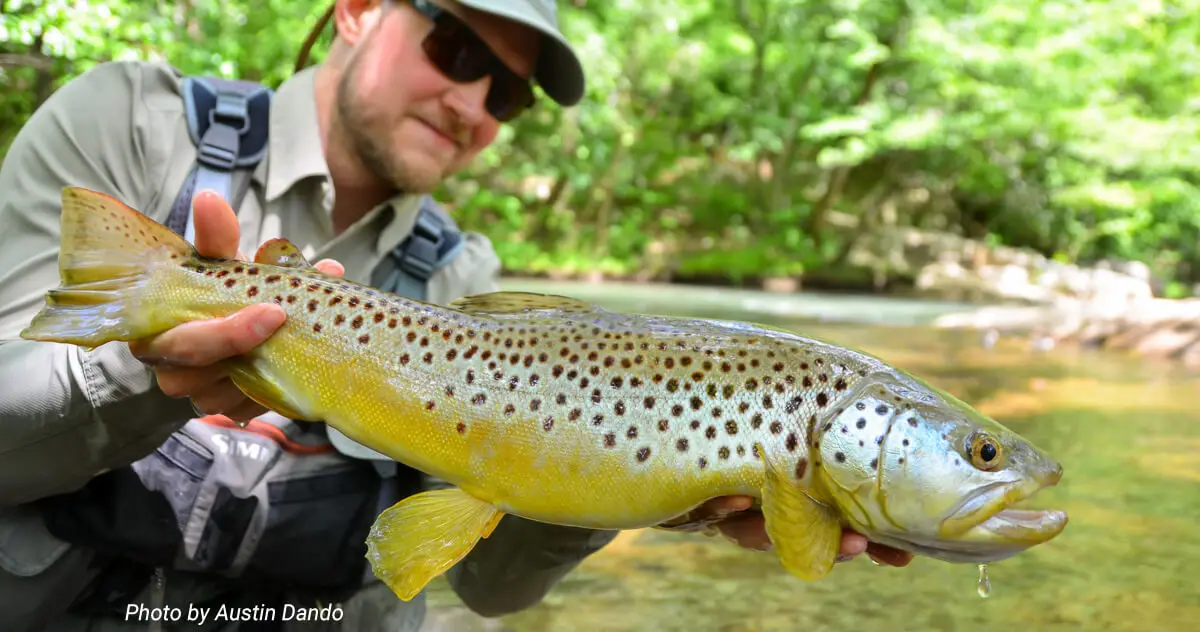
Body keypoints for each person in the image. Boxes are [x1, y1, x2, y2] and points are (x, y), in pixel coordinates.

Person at [0, 0, 911, 630]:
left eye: (505, 95)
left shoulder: (469, 279)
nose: (474, 107)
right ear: (357, 10)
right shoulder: (130, 128)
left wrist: (620, 482)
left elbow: (489, 588)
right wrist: (148, 375)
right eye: (459, 52)